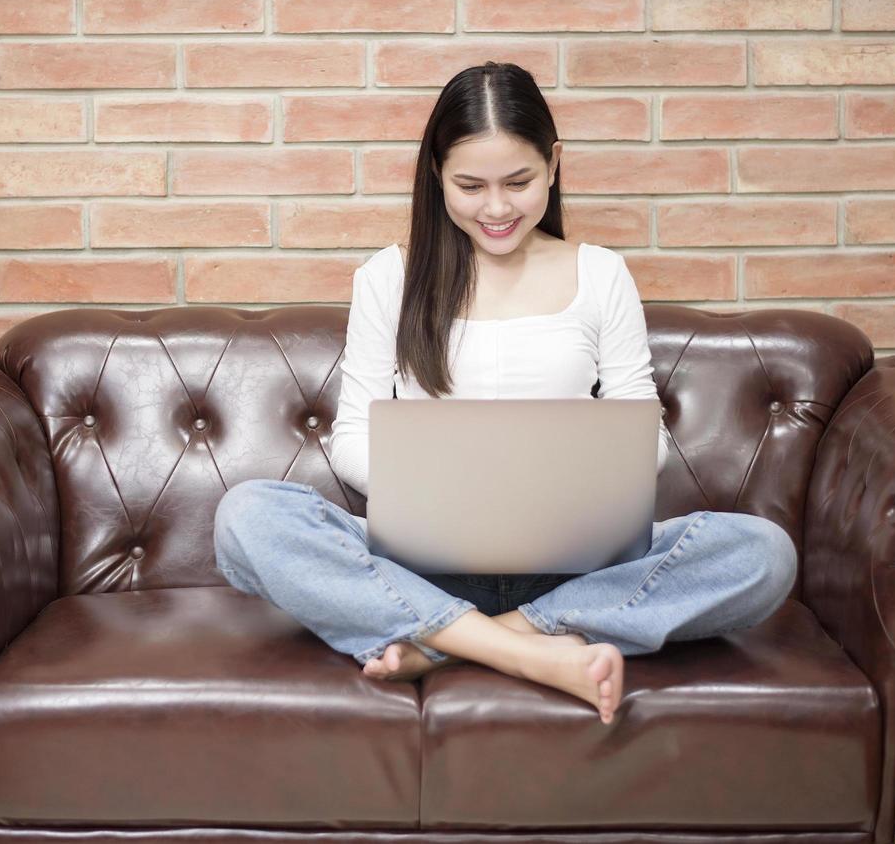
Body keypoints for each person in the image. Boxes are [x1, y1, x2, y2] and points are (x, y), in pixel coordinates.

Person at [214, 62, 797, 725]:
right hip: (422, 564)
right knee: (247, 517)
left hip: (575, 567)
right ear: (436, 176)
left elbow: (646, 439)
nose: (496, 209)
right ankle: (536, 648)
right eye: (470, 185)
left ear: (553, 165)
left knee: (763, 555)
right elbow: (353, 436)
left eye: (518, 182)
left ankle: (458, 643)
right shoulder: (388, 278)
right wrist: (440, 493)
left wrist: (582, 483)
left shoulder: (600, 275)